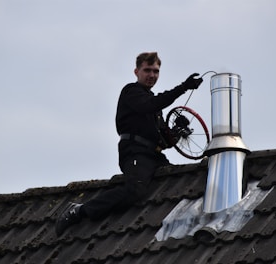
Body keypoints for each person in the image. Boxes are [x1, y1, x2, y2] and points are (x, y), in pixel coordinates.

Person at [55, 52, 203, 236]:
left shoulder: (154, 107)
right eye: (147, 70)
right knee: (135, 191)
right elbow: (149, 105)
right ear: (136, 71)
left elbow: (164, 142)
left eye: (156, 71)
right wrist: (183, 87)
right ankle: (79, 211)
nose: (152, 75)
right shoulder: (131, 92)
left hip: (154, 156)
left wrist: (177, 132)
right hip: (135, 153)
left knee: (173, 181)